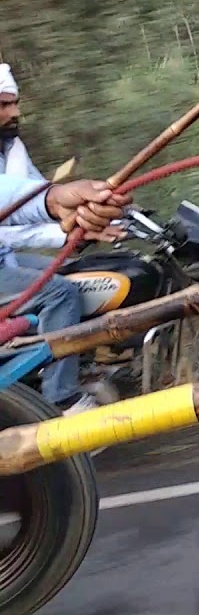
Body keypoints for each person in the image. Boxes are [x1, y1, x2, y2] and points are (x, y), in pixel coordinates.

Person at [0, 63, 130, 415]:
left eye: (14, 103)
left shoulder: (10, 148)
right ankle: (62, 397)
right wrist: (56, 207)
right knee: (61, 292)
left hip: (4, 256)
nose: (14, 112)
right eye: (2, 105)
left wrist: (72, 226)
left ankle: (89, 362)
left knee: (80, 272)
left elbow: (29, 198)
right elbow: (25, 204)